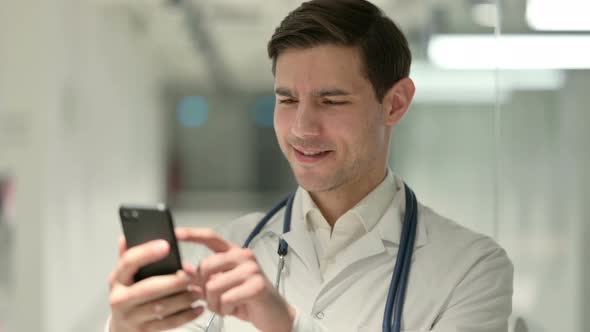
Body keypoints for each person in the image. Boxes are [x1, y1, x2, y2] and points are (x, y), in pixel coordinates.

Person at [106, 0, 513, 331]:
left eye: (331, 100)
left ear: (395, 103)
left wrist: (288, 326)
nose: (302, 127)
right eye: (286, 100)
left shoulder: (471, 269)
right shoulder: (223, 253)